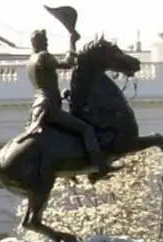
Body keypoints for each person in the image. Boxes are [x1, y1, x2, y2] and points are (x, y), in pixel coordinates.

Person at [17, 29, 113, 174]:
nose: (47, 43)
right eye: (45, 41)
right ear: (40, 42)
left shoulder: (30, 61)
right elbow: (68, 63)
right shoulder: (43, 56)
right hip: (50, 106)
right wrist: (72, 41)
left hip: (38, 106)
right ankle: (100, 166)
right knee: (86, 129)